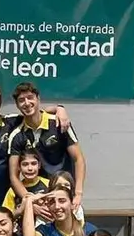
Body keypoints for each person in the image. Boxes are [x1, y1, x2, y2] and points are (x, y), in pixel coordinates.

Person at [6, 82, 86, 210]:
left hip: (64, 194)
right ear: (17, 105)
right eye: (21, 100)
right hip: (40, 199)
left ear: (38, 99)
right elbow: (13, 176)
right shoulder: (16, 135)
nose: (26, 103)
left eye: (30, 97)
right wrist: (30, 202)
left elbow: (78, 159)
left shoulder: (59, 123)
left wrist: (78, 193)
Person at [1, 149, 51, 221]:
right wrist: (20, 210)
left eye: (33, 163)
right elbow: (4, 218)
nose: (30, 168)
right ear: (19, 167)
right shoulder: (13, 190)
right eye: (25, 164)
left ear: (39, 165)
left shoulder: (49, 184)